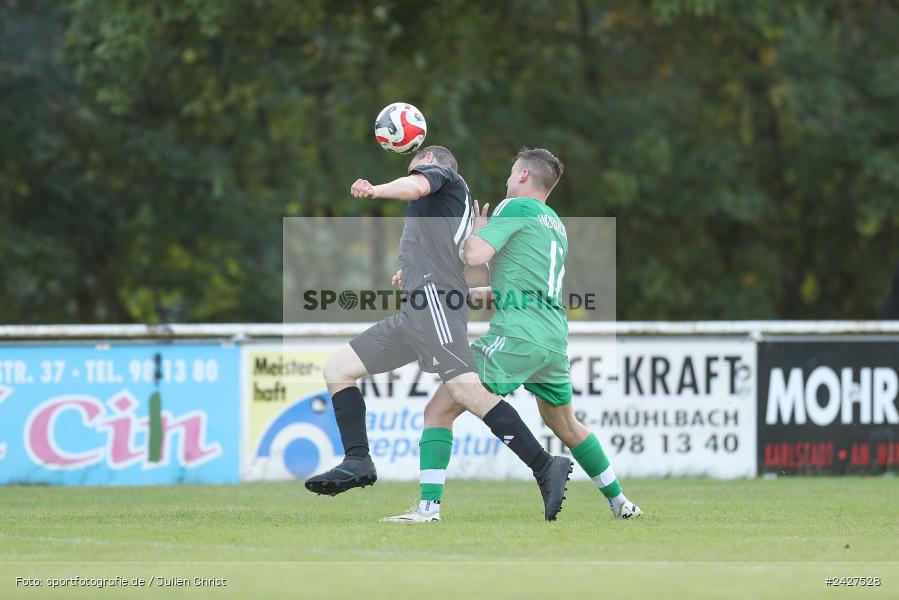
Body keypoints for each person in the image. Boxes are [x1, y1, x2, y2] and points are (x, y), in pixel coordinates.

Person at [304, 145, 573, 521]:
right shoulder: (442, 206)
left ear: (429, 163)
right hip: (416, 307)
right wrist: (410, 271)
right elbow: (454, 252)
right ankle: (357, 461)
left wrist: (376, 189)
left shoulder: (442, 175)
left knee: (464, 392)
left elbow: (414, 188)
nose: (414, 175)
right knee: (338, 370)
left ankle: (544, 465)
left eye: (415, 168)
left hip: (436, 306)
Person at [381, 148, 642, 523]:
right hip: (552, 338)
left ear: (522, 176)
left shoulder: (512, 207)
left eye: (510, 174)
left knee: (438, 409)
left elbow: (472, 256)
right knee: (565, 424)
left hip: (518, 333)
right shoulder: (555, 225)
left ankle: (428, 509)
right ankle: (621, 503)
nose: (507, 180)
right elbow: (500, 281)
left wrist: (474, 231)